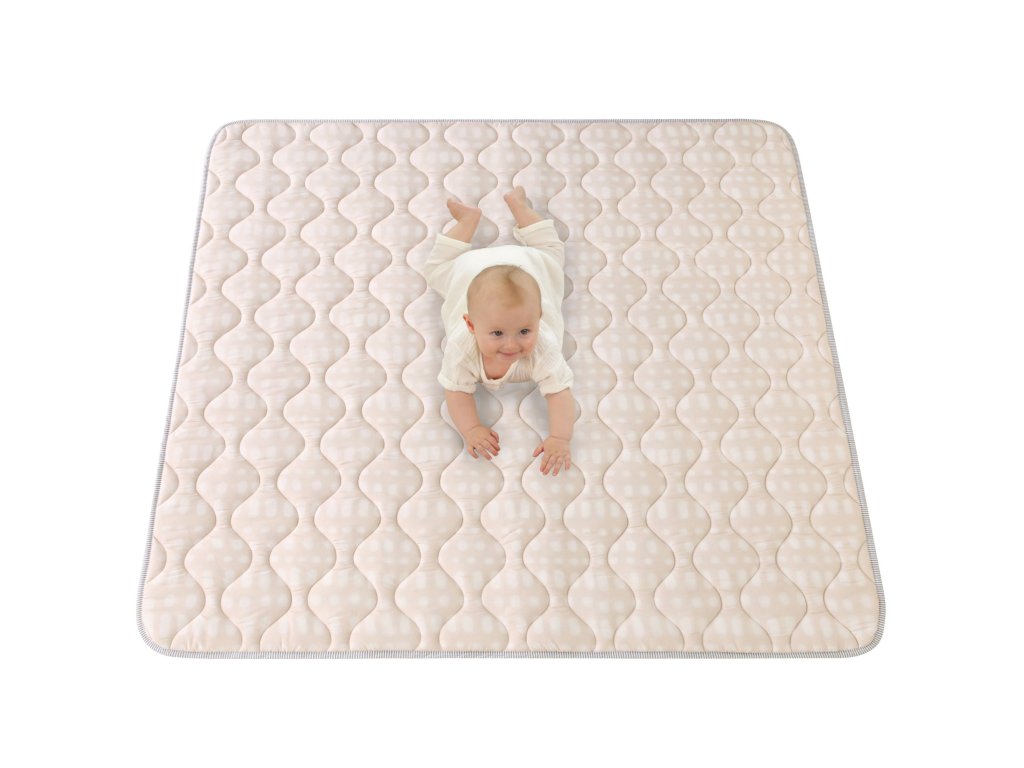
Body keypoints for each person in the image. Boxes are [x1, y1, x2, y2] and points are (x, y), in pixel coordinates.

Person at [423, 186, 575, 476]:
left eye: (524, 331)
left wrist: (560, 437)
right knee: (437, 270)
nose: (512, 345)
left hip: (530, 266)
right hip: (469, 269)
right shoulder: (462, 345)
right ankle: (468, 221)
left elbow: (559, 392)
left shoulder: (543, 344)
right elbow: (455, 390)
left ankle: (519, 206)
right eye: (496, 334)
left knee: (549, 254)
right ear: (470, 325)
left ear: (539, 318)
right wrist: (471, 428)